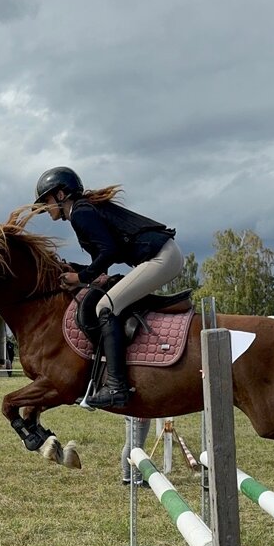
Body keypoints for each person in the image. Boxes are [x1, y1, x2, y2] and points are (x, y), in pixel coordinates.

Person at [26, 167, 183, 408]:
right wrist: (77, 270)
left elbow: (108, 251)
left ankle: (117, 387)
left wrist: (80, 277)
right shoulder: (82, 210)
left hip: (161, 257)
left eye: (46, 200)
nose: (45, 208)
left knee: (105, 308)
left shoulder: (80, 212)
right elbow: (104, 256)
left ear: (60, 195)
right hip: (159, 255)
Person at [121, 417, 152, 487]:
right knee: (138, 447)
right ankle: (137, 480)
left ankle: (127, 477)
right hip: (138, 413)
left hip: (129, 412)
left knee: (129, 445)